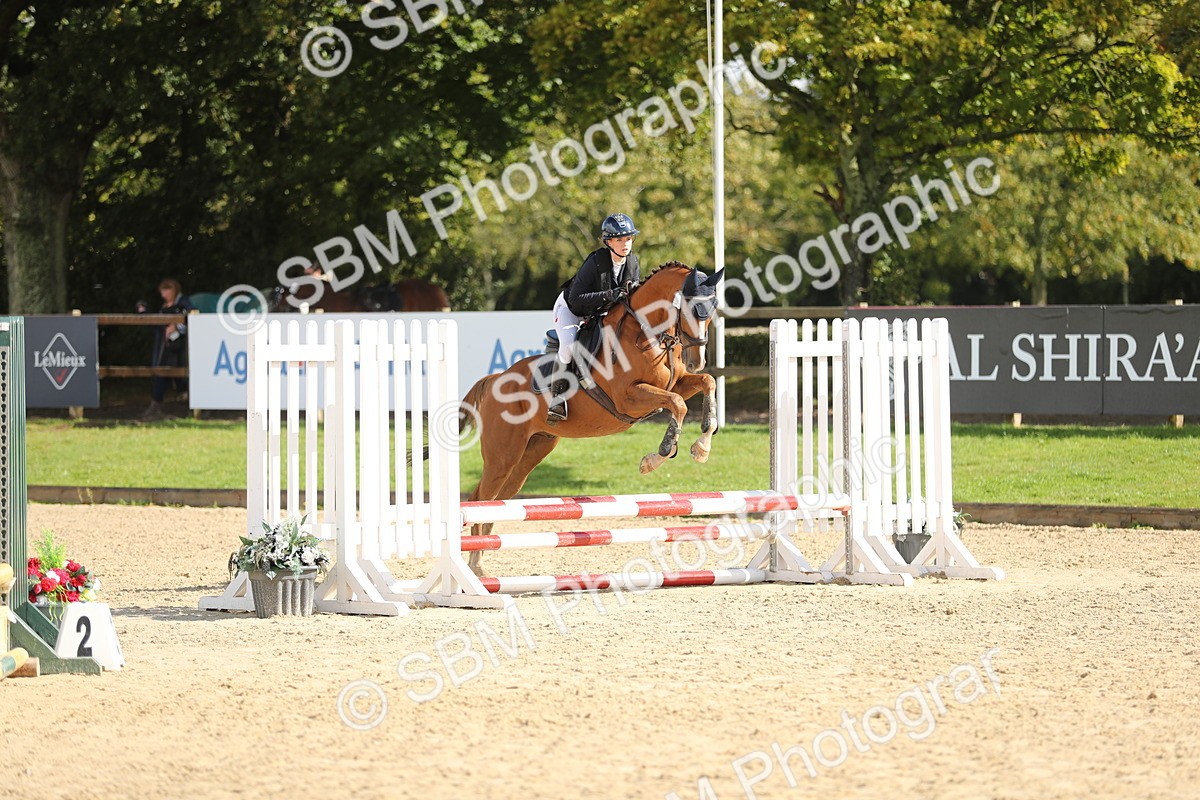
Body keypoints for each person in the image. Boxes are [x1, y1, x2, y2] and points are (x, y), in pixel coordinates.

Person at [548, 213, 642, 422]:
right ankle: (557, 398)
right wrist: (609, 294)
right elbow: (576, 297)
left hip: (600, 311)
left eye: (628, 238)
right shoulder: (595, 261)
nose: (625, 244)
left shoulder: (633, 262)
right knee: (569, 346)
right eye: (619, 239)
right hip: (571, 309)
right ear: (608, 241)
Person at [141, 278, 195, 420]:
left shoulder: (185, 303)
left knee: (186, 376)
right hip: (166, 348)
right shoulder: (163, 307)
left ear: (173, 289)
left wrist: (177, 326)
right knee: (162, 373)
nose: (163, 294)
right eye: (162, 291)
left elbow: (192, 320)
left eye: (166, 290)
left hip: (183, 348)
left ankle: (194, 408)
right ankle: (155, 405)